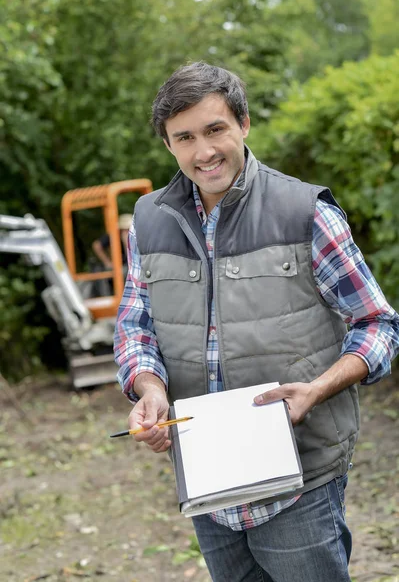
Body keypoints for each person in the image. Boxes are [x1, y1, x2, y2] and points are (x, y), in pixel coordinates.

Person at [114, 62, 399, 582]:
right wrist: (149, 389)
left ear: (243, 123)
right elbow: (136, 326)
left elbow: (378, 324)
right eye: (185, 137)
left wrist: (317, 389)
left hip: (301, 478)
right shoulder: (149, 220)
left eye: (216, 129)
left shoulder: (305, 211)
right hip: (208, 479)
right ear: (167, 145)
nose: (204, 152)